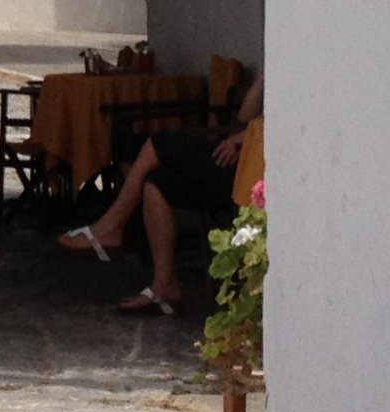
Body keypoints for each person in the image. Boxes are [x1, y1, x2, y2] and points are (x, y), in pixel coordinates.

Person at [62, 72, 262, 313]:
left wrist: (242, 138)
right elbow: (245, 116)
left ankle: (109, 228)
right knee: (156, 183)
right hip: (241, 157)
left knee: (160, 143)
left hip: (254, 172)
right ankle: (165, 287)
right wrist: (265, 77)